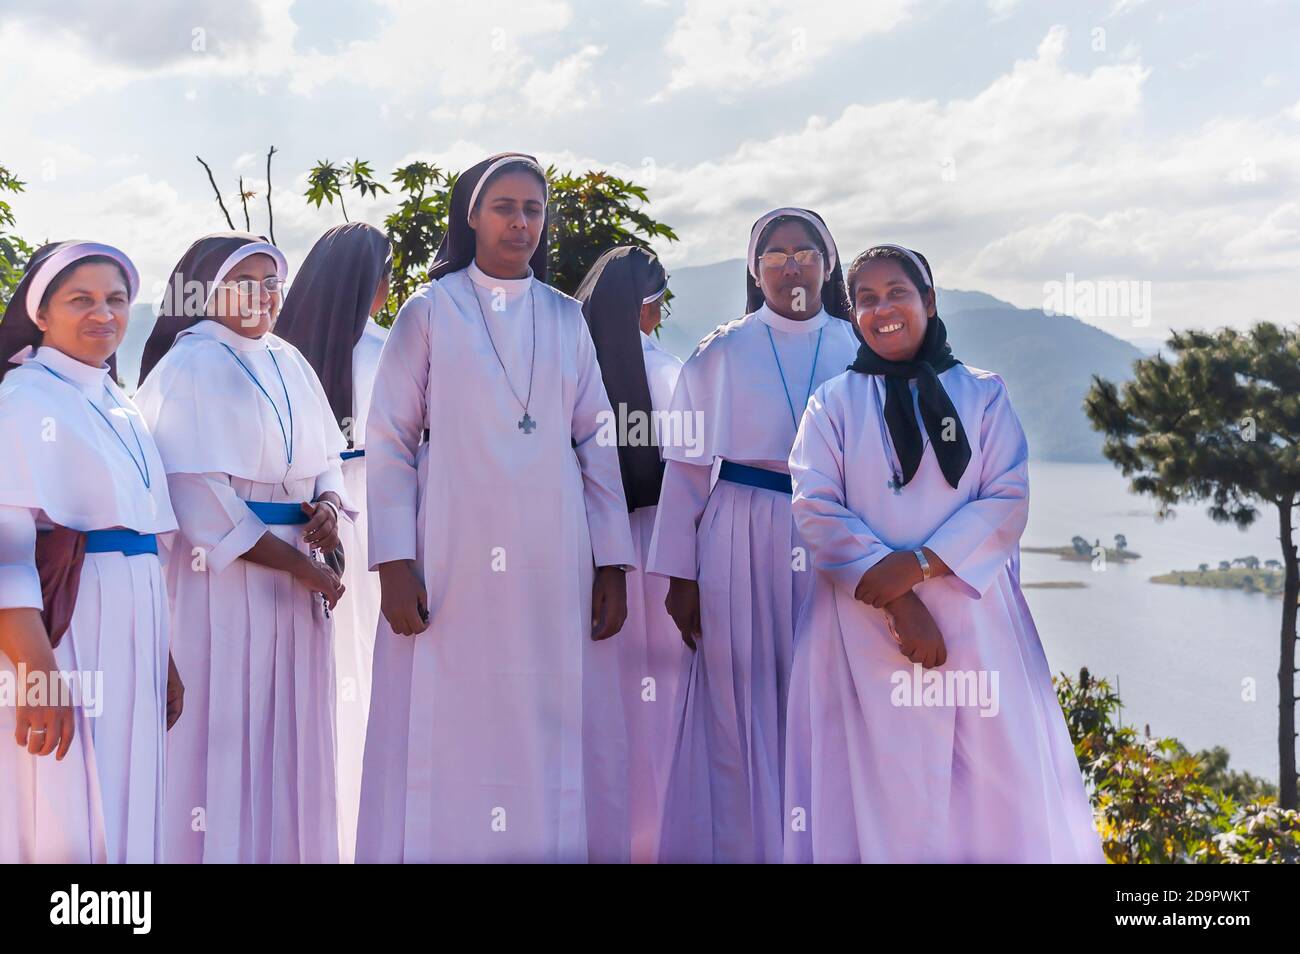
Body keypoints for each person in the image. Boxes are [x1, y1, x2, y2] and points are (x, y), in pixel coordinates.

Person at [357, 153, 637, 863]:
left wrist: (613, 562)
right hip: (451, 548)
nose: (520, 222)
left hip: (553, 554)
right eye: (504, 207)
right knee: (452, 712)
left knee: (546, 711)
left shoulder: (566, 317)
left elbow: (598, 440)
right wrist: (393, 560)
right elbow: (388, 439)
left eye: (533, 209)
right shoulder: (428, 311)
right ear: (473, 216)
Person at [783, 244, 1104, 863]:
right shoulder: (831, 404)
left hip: (973, 620)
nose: (884, 310)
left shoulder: (983, 395)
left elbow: (1006, 498)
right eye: (867, 300)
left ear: (928, 301)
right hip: (861, 625)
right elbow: (814, 506)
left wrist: (923, 563)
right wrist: (900, 598)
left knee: (990, 784)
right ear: (852, 316)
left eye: (897, 293)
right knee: (872, 786)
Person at [646, 208, 861, 863]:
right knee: (738, 700)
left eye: (804, 252)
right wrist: (680, 577)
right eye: (775, 253)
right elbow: (683, 475)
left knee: (828, 700)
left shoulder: (862, 351)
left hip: (834, 540)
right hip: (738, 531)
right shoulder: (723, 351)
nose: (790, 264)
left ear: (828, 264)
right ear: (753, 266)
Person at [136, 232, 352, 863]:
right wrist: (298, 568)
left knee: (293, 733)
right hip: (225, 579)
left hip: (302, 573)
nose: (262, 294)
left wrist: (331, 509)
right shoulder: (189, 365)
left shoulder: (290, 359)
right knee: (227, 730)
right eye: (246, 279)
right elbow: (198, 496)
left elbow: (328, 462)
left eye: (271, 280)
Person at [0, 241, 180, 863]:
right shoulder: (23, 399)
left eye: (116, 300)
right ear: (41, 313)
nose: (103, 313)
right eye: (81, 300)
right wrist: (34, 670)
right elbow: (8, 551)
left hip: (136, 625)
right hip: (66, 633)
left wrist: (166, 655)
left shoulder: (120, 404)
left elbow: (142, 539)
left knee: (129, 796)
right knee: (62, 804)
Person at [275, 222, 392, 864]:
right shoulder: (389, 347)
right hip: (373, 509)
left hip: (303, 514)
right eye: (384, 277)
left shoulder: (281, 353)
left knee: (325, 667)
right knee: (367, 664)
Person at [575, 245, 685, 863]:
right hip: (654, 542)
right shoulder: (667, 370)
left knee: (597, 698)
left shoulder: (570, 359)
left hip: (584, 543)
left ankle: (596, 833)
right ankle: (654, 836)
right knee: (657, 694)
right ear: (650, 305)